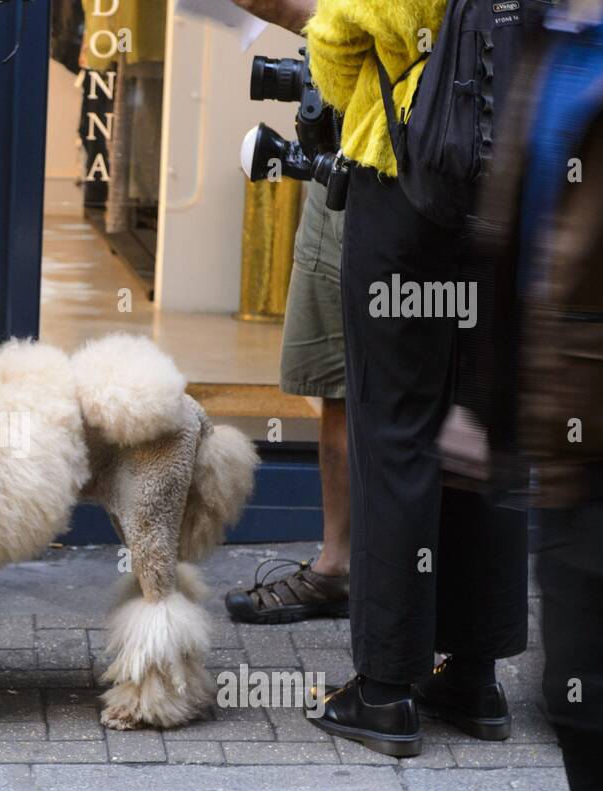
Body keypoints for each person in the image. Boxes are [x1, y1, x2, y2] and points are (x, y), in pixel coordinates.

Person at [303, 0, 530, 757]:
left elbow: (337, 35)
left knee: (397, 429)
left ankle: (386, 693)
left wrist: (375, 87)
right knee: (482, 426)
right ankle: (476, 680)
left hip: (406, 183)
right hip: (507, 196)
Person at [472, 0, 603, 791]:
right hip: (570, 441)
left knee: (601, 704)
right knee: (582, 703)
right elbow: (525, 237)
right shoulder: (551, 33)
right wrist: (490, 414)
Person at [226, 0, 351, 625]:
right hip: (342, 158)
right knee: (337, 389)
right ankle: (342, 567)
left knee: (400, 393)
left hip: (399, 161)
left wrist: (312, 14)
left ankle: (400, 586)